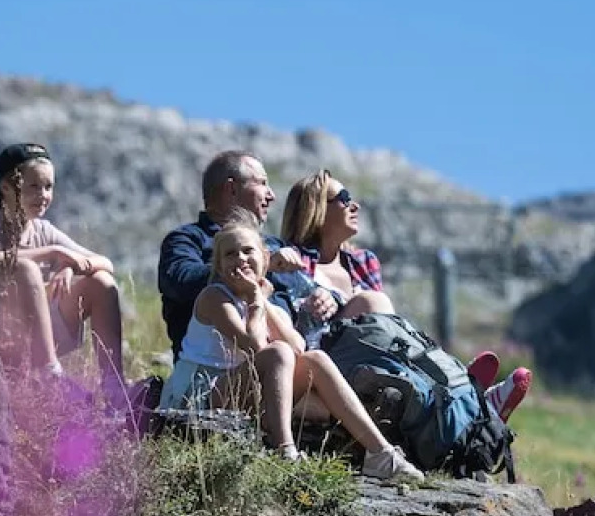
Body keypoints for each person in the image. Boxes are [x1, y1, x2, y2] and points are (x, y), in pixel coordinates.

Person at [159, 211, 425, 482]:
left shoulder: (268, 302)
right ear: (218, 265)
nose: (240, 259)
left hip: (239, 389)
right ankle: (285, 450)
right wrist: (254, 298)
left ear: (265, 258)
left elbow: (298, 348)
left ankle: (380, 454)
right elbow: (254, 347)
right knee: (277, 352)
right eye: (230, 254)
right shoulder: (215, 297)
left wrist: (262, 301)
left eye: (248, 251)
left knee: (315, 359)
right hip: (199, 394)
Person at [0, 143, 124, 393]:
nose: (43, 195)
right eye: (33, 186)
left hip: (25, 334)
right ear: (6, 187)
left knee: (101, 282)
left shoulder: (44, 230)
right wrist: (53, 253)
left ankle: (114, 388)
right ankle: (49, 375)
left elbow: (106, 263)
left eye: (48, 187)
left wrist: (69, 266)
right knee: (24, 268)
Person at [158, 150, 339, 360]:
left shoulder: (271, 245)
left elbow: (310, 286)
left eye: (248, 251)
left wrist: (327, 297)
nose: (271, 195)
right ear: (232, 189)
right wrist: (259, 266)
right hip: (228, 365)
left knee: (367, 306)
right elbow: (181, 282)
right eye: (262, 183)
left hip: (303, 351)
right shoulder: (188, 240)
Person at [279, 169, 396, 342]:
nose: (355, 206)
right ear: (316, 209)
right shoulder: (290, 262)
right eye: (344, 198)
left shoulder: (364, 262)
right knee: (371, 301)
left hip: (371, 350)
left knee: (374, 301)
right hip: (317, 352)